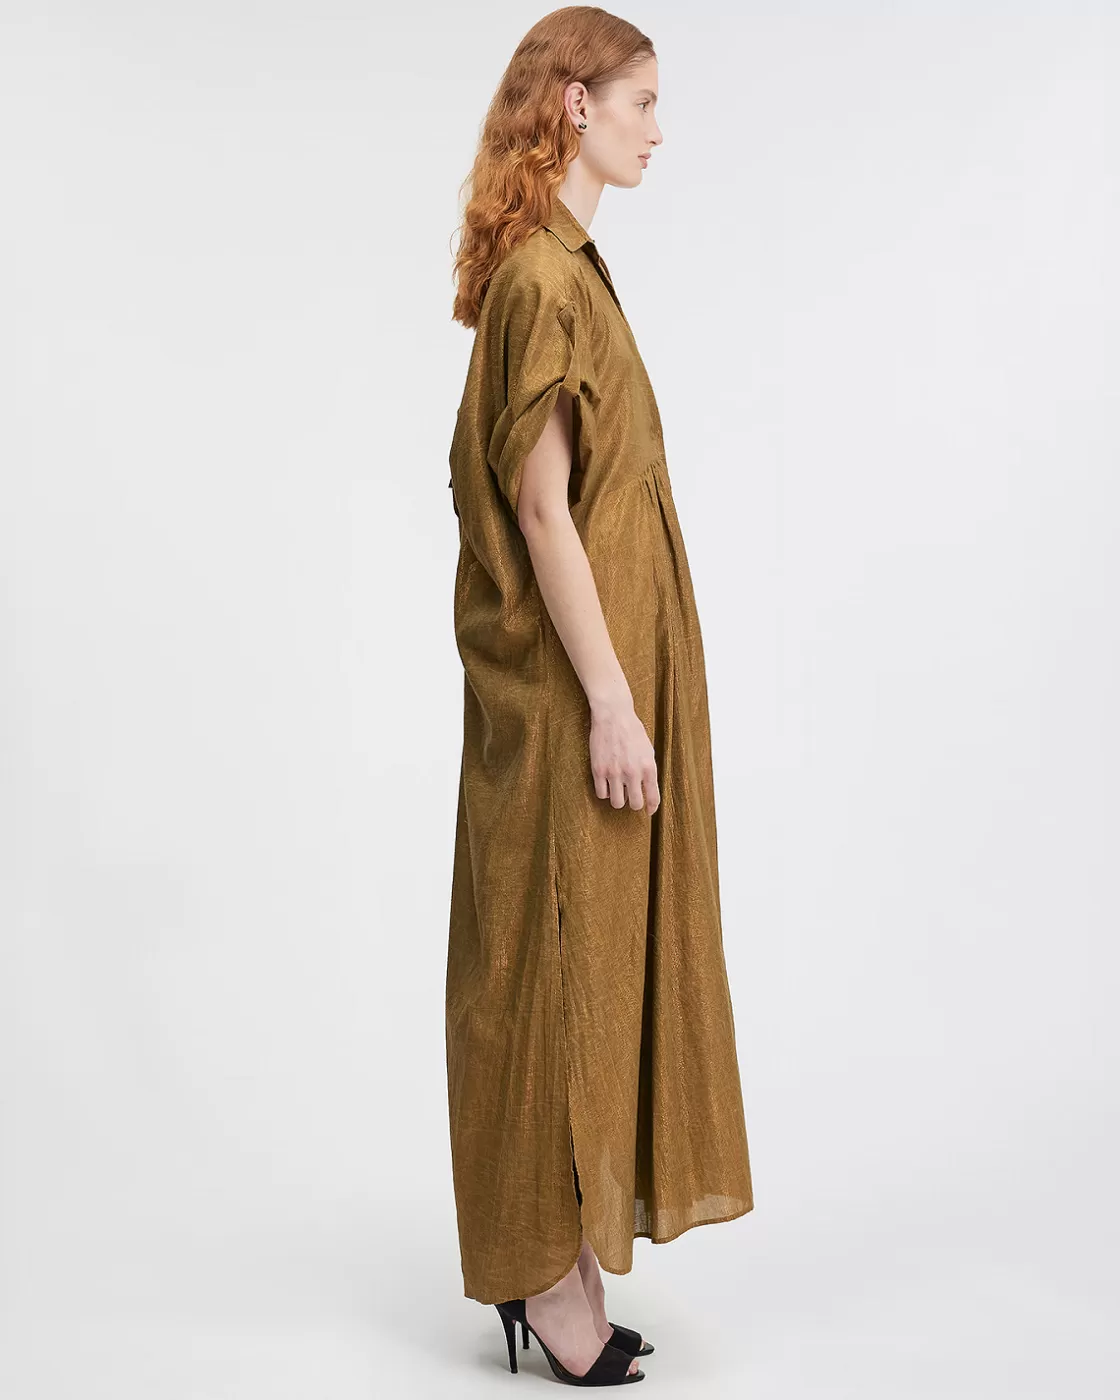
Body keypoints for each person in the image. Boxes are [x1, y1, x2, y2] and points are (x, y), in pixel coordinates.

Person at [445, 7, 754, 1386]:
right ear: (574, 105)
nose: (657, 129)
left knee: (585, 962)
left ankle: (560, 1257)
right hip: (577, 693)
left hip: (594, 682)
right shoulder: (544, 281)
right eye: (640, 101)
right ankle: (541, 1272)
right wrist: (616, 704)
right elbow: (542, 510)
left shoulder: (565, 266)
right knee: (550, 968)